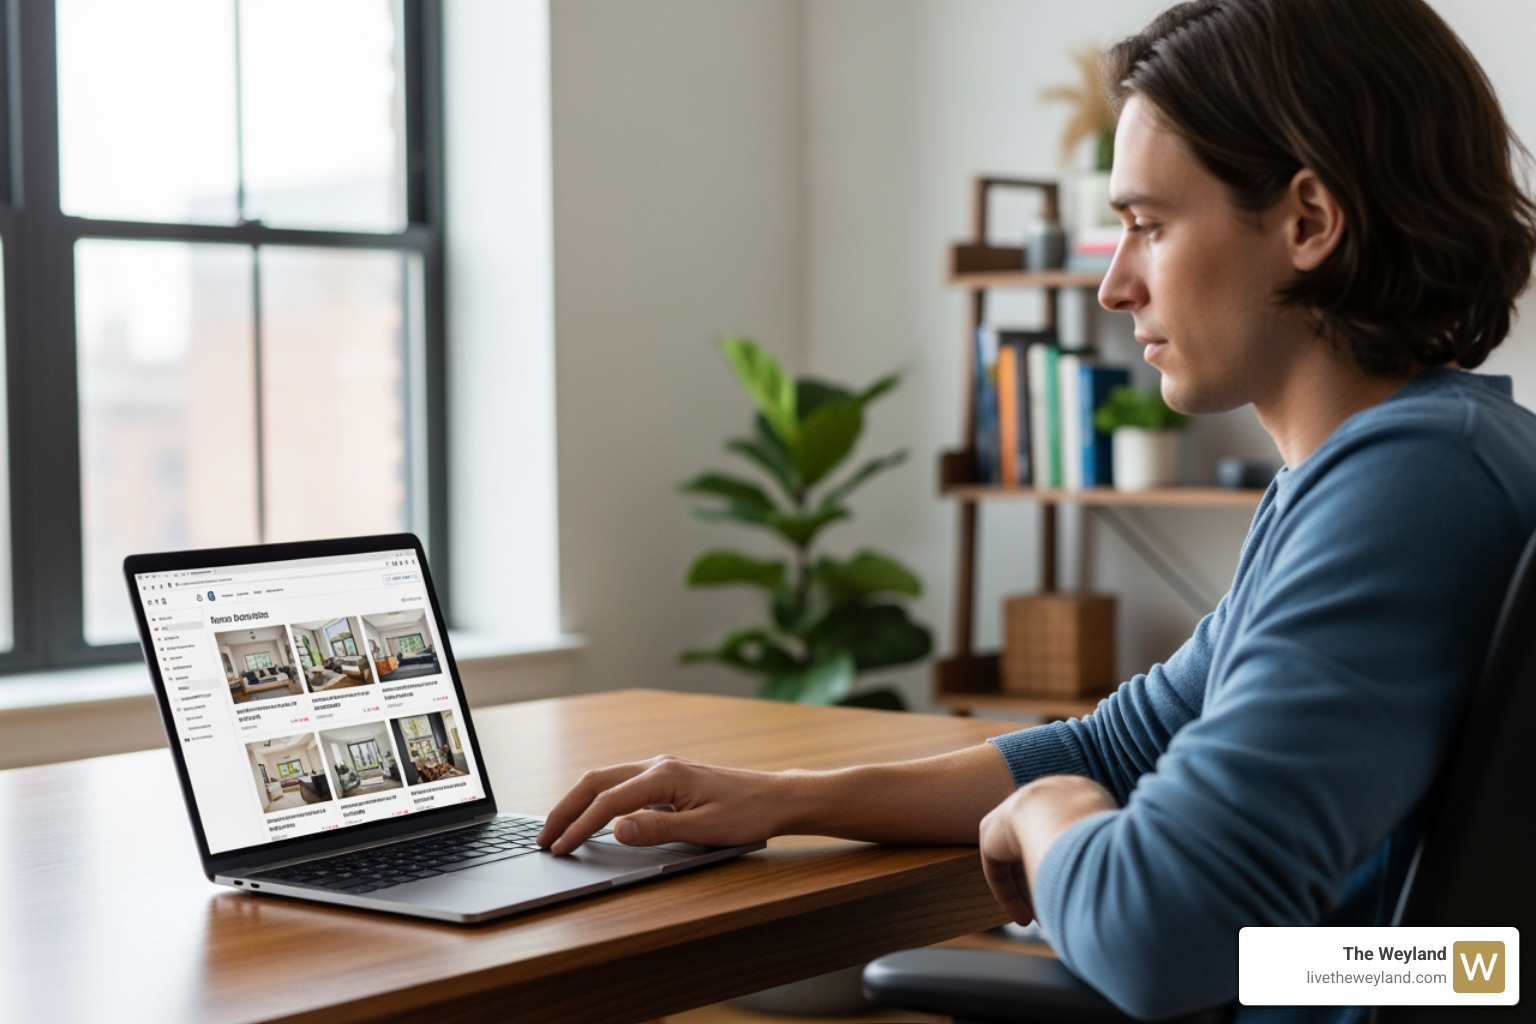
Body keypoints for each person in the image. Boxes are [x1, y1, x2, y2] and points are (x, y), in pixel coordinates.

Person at [537, 0, 1536, 1019]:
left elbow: (1164, 934)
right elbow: (1120, 748)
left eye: (1147, 225)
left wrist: (1054, 815)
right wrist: (789, 797)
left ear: (1309, 222)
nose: (1113, 285)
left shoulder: (1407, 488)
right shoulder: (1430, 459)